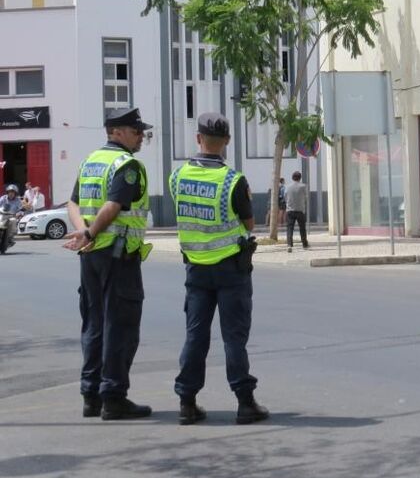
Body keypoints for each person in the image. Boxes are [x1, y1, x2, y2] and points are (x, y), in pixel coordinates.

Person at [169, 112, 268, 426]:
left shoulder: (177, 177)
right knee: (233, 338)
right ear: (226, 142)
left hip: (196, 270)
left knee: (195, 336)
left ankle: (186, 401)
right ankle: (244, 402)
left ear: (198, 138)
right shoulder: (233, 180)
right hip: (231, 269)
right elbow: (249, 222)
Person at [62, 107, 154, 420]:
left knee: (94, 323)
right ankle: (113, 396)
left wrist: (83, 234)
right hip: (117, 256)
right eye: (135, 130)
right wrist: (88, 231)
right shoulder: (126, 165)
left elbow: (72, 202)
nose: (140, 136)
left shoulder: (90, 161)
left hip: (90, 255)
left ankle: (91, 396)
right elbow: (114, 205)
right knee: (121, 326)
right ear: (116, 132)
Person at [285, 171, 309, 252]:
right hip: (300, 210)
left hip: (290, 210)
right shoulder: (303, 186)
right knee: (302, 228)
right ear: (300, 178)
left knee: (289, 228)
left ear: (292, 178)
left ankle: (289, 244)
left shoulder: (287, 187)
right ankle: (304, 244)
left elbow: (285, 197)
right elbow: (306, 198)